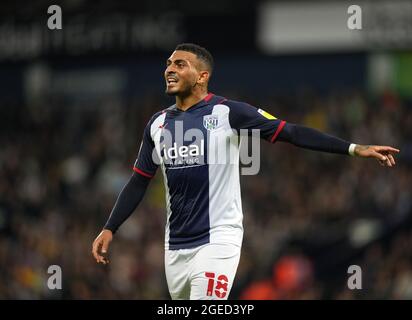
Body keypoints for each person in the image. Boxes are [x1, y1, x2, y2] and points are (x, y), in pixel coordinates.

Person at [92, 43, 399, 300]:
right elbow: (138, 181)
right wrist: (110, 227)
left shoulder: (228, 112)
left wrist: (354, 148)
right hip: (175, 247)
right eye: (169, 63)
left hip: (217, 240)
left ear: (202, 76)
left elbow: (289, 131)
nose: (170, 69)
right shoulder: (157, 124)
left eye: (180, 64)